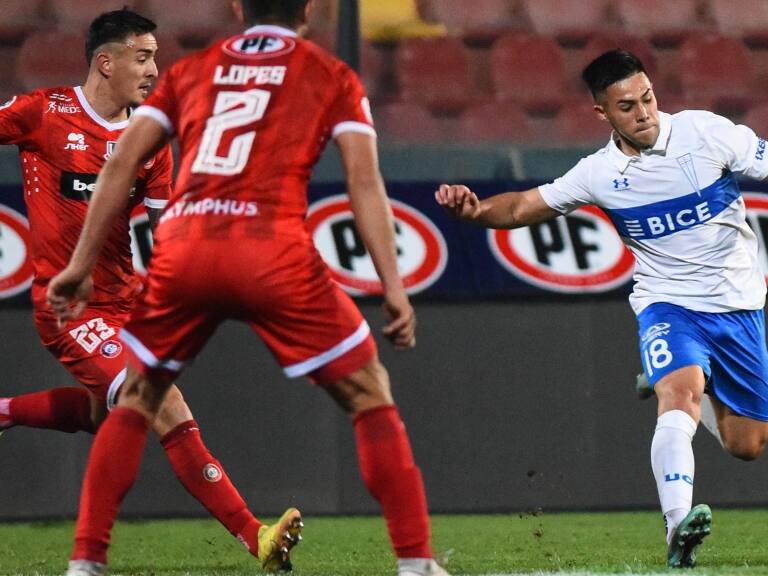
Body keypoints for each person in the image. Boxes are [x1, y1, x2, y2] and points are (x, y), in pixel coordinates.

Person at [47, 1, 448, 575]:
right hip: (271, 247)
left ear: (237, 6)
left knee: (137, 398)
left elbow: (121, 163)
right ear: (310, 9)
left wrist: (80, 264)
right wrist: (394, 286)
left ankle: (85, 564)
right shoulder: (330, 74)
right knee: (368, 393)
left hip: (185, 246)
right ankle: (416, 564)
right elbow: (363, 180)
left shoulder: (191, 70)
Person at [436, 48, 768, 569]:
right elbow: (524, 206)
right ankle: (678, 524)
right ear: (603, 113)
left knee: (748, 445)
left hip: (739, 305)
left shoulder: (707, 133)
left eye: (649, 98)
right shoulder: (599, 174)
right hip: (668, 303)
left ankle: (664, 379)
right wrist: (474, 210)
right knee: (679, 394)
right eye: (628, 106)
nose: (645, 114)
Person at [0, 9, 283, 575]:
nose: (155, 69)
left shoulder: (151, 138)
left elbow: (165, 232)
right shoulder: (42, 113)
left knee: (103, 413)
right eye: (143, 56)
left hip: (126, 304)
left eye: (156, 57)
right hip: (67, 307)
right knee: (158, 399)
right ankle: (256, 536)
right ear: (106, 61)